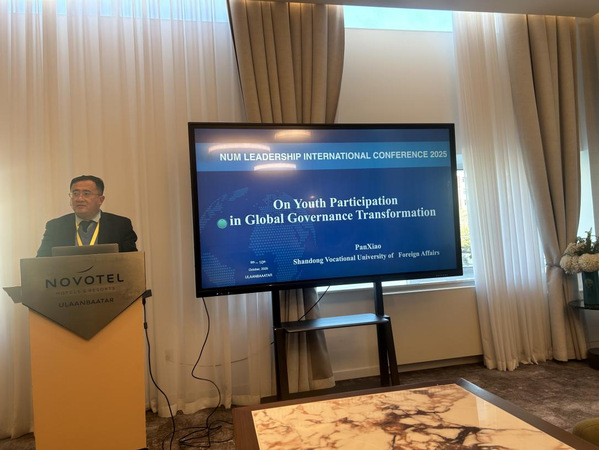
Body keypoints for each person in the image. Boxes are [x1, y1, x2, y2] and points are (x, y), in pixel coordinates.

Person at [36, 175, 138, 257]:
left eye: (86, 193)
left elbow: (132, 262)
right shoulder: (55, 227)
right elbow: (41, 262)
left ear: (100, 199)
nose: (79, 199)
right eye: (75, 193)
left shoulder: (120, 225)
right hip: (67, 277)